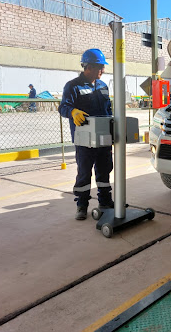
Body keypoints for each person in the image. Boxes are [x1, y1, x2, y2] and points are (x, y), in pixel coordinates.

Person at [58, 49, 114, 220]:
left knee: (104, 171)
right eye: (100, 67)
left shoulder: (103, 86)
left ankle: (105, 201)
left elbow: (108, 109)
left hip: (103, 137)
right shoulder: (72, 86)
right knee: (84, 172)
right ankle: (82, 205)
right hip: (84, 139)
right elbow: (63, 107)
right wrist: (73, 111)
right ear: (88, 66)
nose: (103, 71)